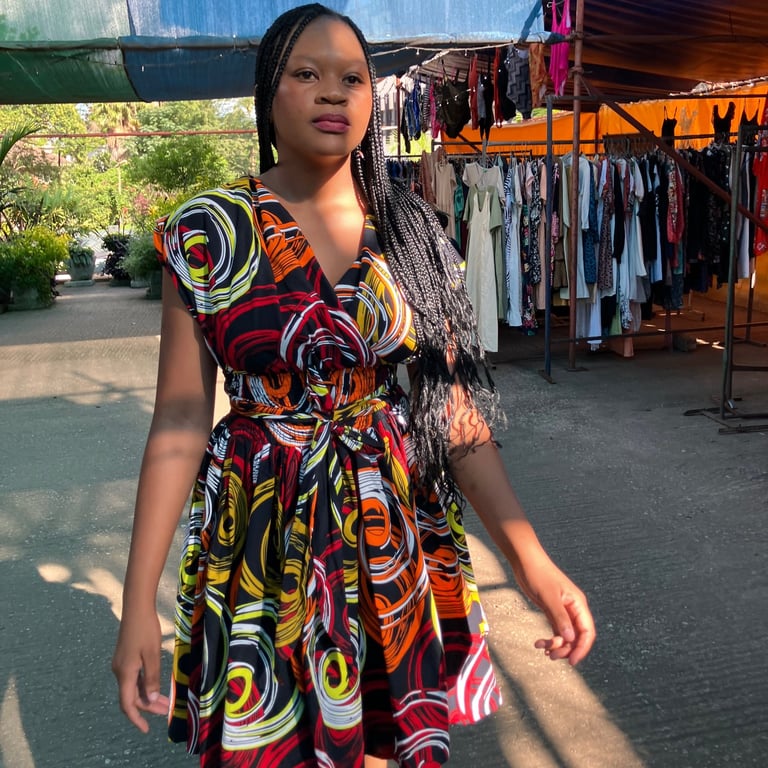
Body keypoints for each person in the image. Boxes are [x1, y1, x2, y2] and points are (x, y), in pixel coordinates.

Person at [111, 5, 595, 767]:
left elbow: (452, 413)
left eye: (354, 78)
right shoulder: (207, 230)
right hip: (262, 528)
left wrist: (532, 561)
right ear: (268, 92)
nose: (333, 93)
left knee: (380, 732)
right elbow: (178, 419)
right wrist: (138, 603)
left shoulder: (410, 229)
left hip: (388, 522)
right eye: (307, 73)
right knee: (272, 735)